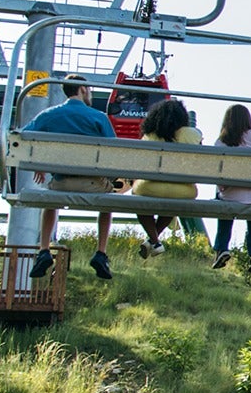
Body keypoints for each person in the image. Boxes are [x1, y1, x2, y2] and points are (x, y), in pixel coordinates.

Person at [24, 75, 117, 280]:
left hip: (61, 183)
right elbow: (114, 151)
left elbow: (24, 138)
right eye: (89, 89)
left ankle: (44, 249)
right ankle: (101, 253)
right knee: (109, 198)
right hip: (92, 183)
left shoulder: (48, 115)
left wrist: (39, 164)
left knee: (50, 199)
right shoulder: (98, 117)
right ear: (82, 89)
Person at [131, 98, 203, 257]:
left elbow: (140, 163)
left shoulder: (149, 135)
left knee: (138, 200)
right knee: (173, 203)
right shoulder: (193, 135)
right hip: (183, 191)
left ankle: (154, 241)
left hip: (149, 188)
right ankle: (153, 241)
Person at [212, 103, 251, 274]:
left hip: (231, 195)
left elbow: (216, 169)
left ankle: (221, 249)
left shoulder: (223, 141)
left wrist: (223, 187)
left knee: (224, 210)